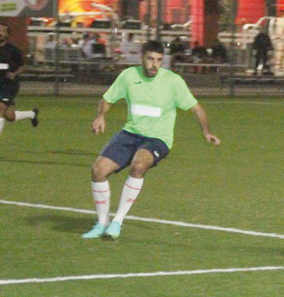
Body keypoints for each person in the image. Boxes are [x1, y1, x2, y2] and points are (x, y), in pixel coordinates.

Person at [82, 40, 221, 240]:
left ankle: (117, 222)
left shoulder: (172, 81)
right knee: (98, 170)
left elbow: (195, 107)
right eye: (150, 59)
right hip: (130, 134)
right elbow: (107, 99)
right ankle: (102, 223)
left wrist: (206, 132)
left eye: (159, 60)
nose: (154, 64)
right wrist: (101, 116)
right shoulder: (128, 76)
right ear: (142, 58)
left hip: (158, 139)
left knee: (138, 165)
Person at [0, 22, 40, 140]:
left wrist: (14, 74)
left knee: (0, 108)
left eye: (3, 31)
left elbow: (22, 66)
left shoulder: (13, 50)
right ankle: (32, 114)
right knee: (9, 116)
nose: (0, 33)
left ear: (7, 35)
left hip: (8, 84)